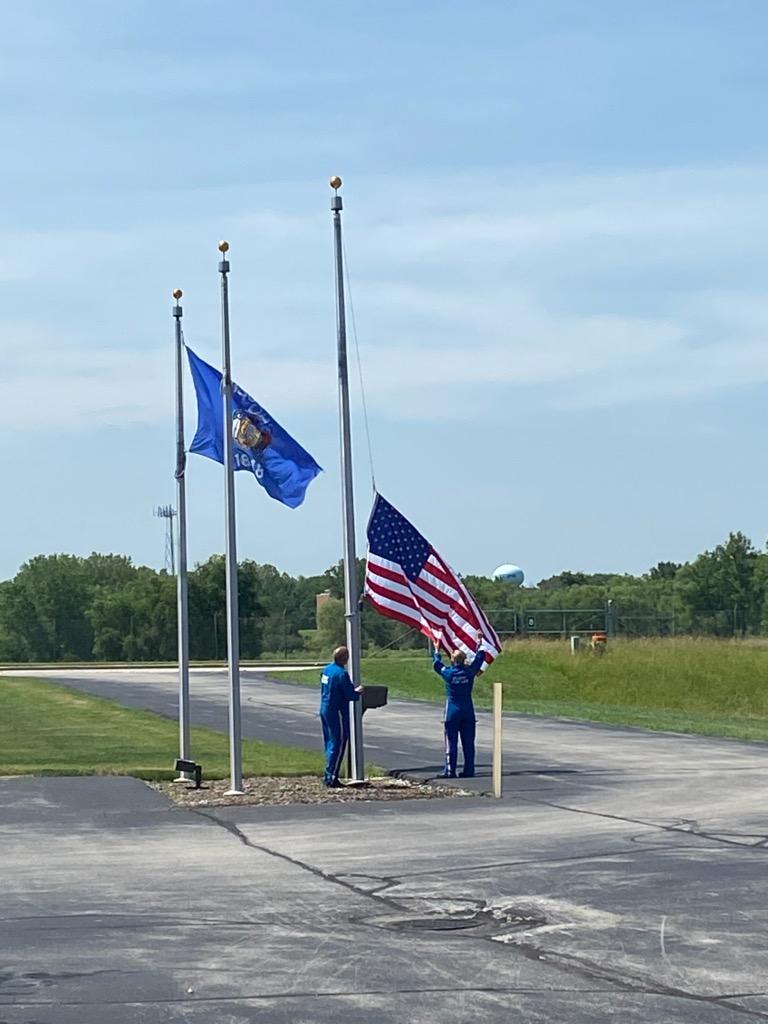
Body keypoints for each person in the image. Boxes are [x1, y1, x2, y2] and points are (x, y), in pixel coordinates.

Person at [432, 634, 487, 778]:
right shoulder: (469, 672)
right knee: (469, 742)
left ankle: (450, 771)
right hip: (468, 709)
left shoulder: (449, 673)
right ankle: (469, 770)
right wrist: (479, 641)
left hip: (453, 710)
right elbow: (480, 658)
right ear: (464, 660)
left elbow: (437, 665)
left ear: (452, 660)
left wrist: (437, 650)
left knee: (451, 742)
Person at [319, 646, 362, 788]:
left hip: (325, 708)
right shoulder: (342, 674)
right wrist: (358, 692)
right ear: (345, 658)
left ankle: (328, 773)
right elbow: (350, 695)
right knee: (338, 743)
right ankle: (331, 776)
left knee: (329, 743)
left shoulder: (327, 670)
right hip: (337, 711)